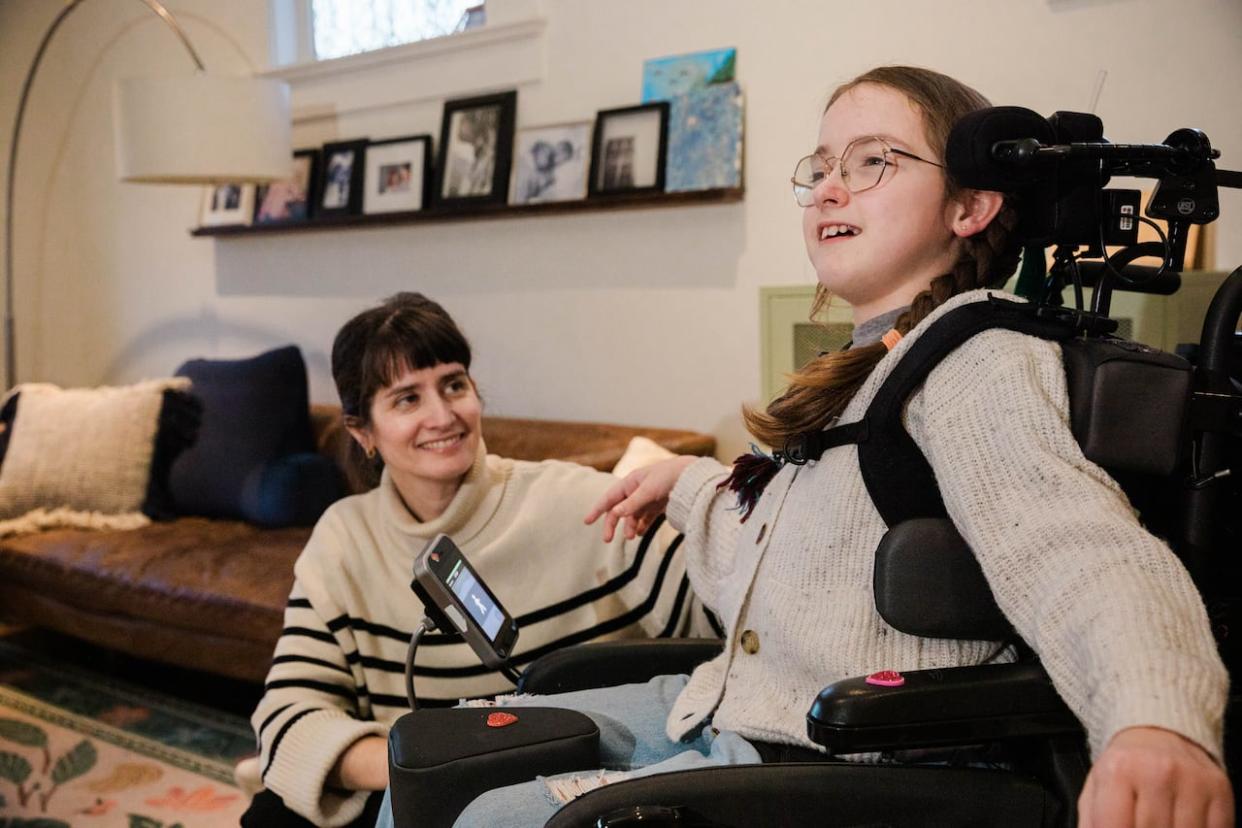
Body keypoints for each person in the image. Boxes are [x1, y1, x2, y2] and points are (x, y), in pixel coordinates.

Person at [377, 66, 1233, 827]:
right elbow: (804, 556)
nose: (829, 188)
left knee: (487, 815)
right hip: (727, 708)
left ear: (970, 206)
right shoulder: (872, 363)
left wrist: (1155, 722)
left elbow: (1078, 548)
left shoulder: (976, 361)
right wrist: (683, 482)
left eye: (872, 163)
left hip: (819, 760)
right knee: (424, 760)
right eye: (821, 167)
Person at [238, 293, 709, 827]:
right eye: (407, 399)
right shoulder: (343, 539)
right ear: (362, 433)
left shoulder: (583, 505)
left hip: (563, 789)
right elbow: (287, 720)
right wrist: (428, 767)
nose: (442, 416)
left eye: (453, 385)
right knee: (272, 817)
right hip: (409, 782)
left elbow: (724, 619)